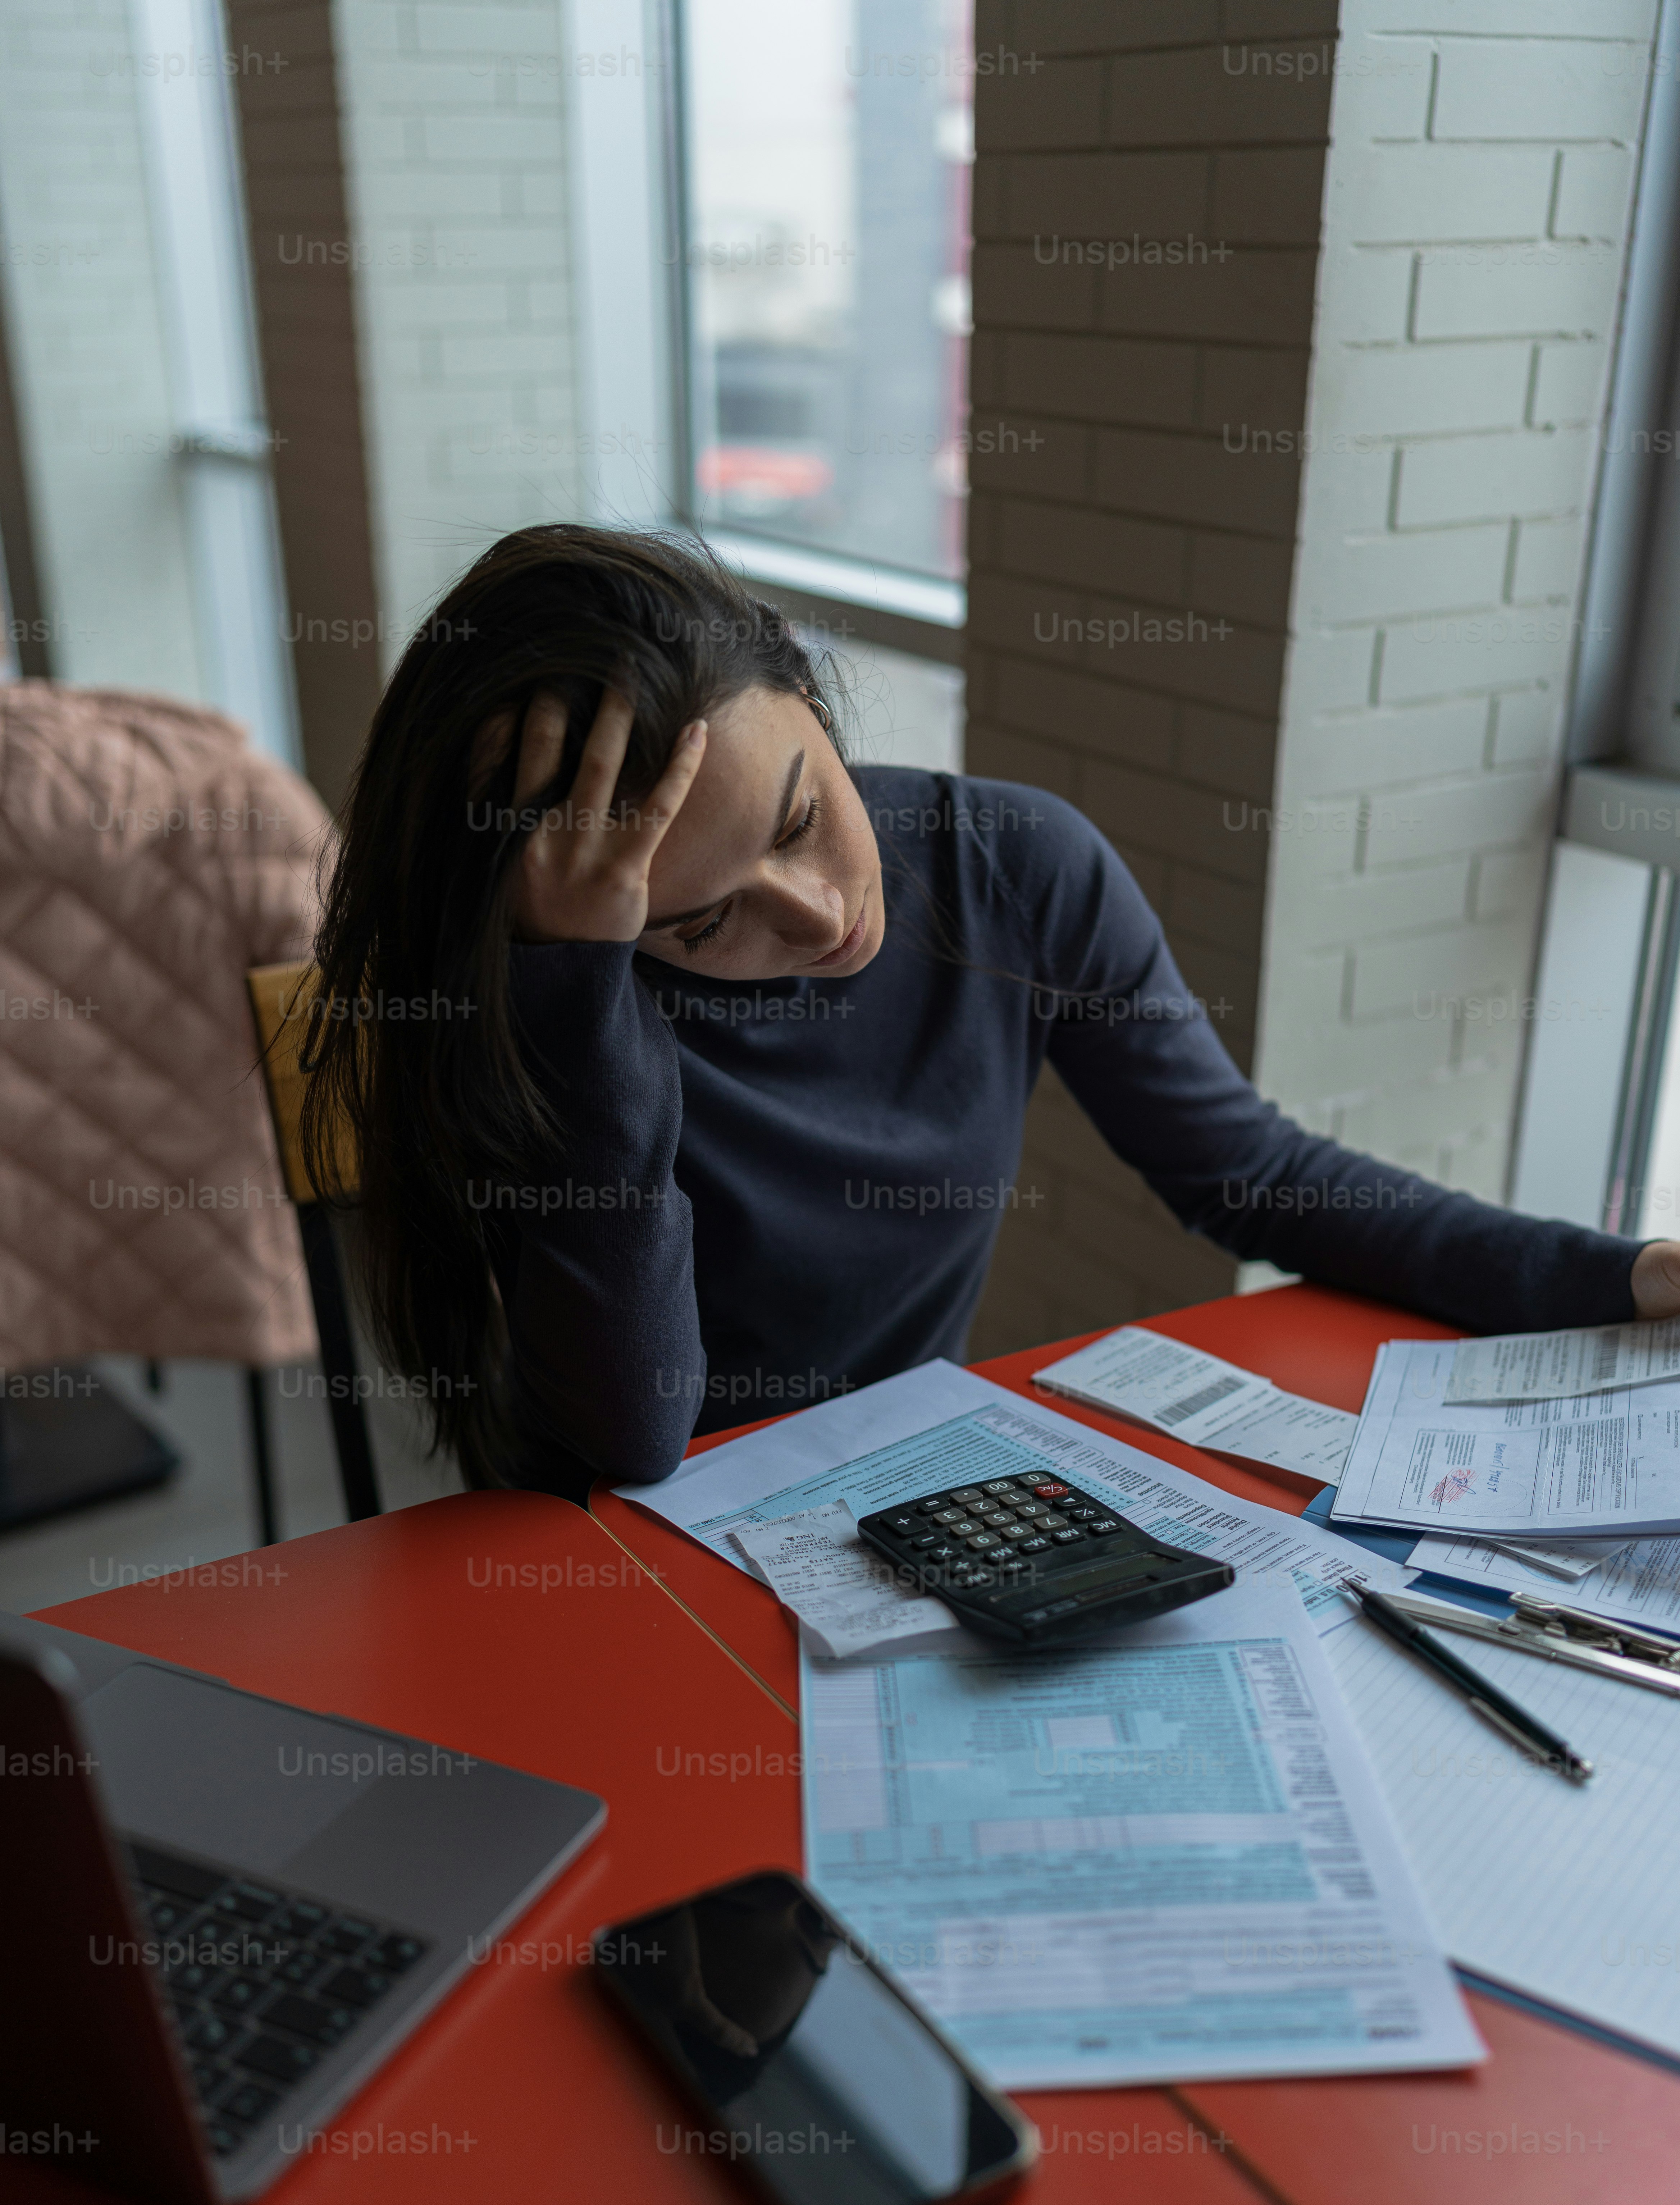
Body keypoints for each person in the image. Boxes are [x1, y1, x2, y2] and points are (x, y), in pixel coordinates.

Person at [302, 524, 1680, 1501]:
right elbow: (630, 1440)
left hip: (885, 1508)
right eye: (707, 922)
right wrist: (579, 998)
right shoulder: (540, 1001)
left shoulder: (1013, 866)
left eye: (803, 815)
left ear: (802, 683)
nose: (819, 910)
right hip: (618, 1558)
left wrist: (1614, 1279)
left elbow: (1249, 1174)